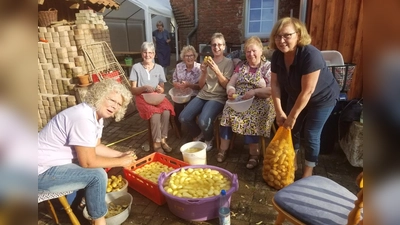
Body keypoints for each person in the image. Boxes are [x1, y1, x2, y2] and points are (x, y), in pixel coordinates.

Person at [38, 79, 136, 225]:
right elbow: (88, 161)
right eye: (111, 100)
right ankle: (99, 221)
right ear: (100, 95)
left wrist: (121, 155)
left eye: (119, 104)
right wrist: (121, 162)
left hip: (49, 165)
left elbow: (96, 146)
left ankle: (82, 205)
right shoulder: (82, 117)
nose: (114, 106)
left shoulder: (95, 115)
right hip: (37, 172)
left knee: (98, 167)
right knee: (97, 175)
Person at [269, 17, 340, 178]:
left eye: (287, 35)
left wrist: (293, 115)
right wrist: (279, 111)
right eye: (278, 36)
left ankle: (308, 173)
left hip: (322, 98)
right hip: (296, 93)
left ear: (299, 35)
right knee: (290, 128)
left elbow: (308, 91)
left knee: (311, 133)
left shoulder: (310, 55)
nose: (281, 40)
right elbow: (275, 85)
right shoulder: (277, 56)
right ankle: (291, 163)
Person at [218, 36, 276, 169]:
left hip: (261, 100)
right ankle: (223, 149)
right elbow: (231, 83)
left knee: (251, 116)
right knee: (227, 111)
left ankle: (254, 154)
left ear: (261, 51)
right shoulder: (241, 66)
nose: (251, 54)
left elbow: (272, 89)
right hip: (241, 99)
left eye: (254, 51)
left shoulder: (267, 67)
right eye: (248, 51)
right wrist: (231, 91)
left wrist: (255, 92)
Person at [179, 33, 234, 151]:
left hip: (217, 97)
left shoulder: (228, 62)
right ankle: (200, 134)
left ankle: (209, 138)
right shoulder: (207, 61)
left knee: (204, 120)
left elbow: (226, 85)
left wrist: (217, 71)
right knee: (183, 117)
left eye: (219, 45)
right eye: (214, 45)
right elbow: (200, 85)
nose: (216, 47)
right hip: (203, 95)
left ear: (224, 46)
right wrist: (203, 72)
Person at [130, 41, 175, 154]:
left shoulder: (159, 68)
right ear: (141, 54)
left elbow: (162, 88)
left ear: (154, 54)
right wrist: (144, 87)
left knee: (166, 112)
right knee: (155, 113)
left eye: (150, 52)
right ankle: (157, 143)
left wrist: (160, 89)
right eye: (145, 52)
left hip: (156, 97)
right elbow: (133, 90)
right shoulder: (136, 67)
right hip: (142, 97)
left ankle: (164, 139)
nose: (148, 55)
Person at [172, 45, 201, 131]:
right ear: (183, 58)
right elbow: (174, 80)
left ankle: (192, 129)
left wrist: (189, 85)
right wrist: (176, 84)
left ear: (194, 56)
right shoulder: (179, 67)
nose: (189, 58)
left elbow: (200, 86)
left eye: (191, 55)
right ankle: (178, 130)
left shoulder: (199, 68)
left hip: (194, 95)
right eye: (186, 56)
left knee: (190, 109)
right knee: (177, 107)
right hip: (181, 95)